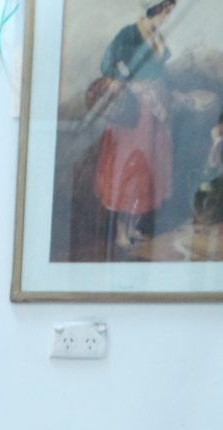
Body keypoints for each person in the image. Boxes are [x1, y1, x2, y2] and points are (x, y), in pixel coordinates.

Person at [94, 0, 178, 252]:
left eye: (170, 12)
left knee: (149, 167)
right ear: (155, 9)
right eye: (166, 11)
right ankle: (120, 231)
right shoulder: (129, 33)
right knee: (131, 167)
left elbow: (158, 69)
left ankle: (133, 228)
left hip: (155, 107)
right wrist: (125, 82)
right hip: (135, 110)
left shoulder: (156, 35)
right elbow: (107, 63)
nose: (168, 16)